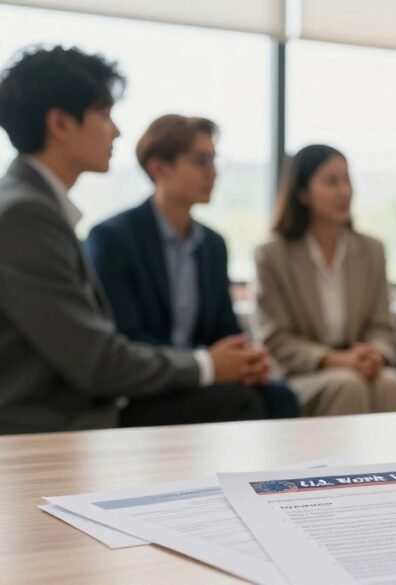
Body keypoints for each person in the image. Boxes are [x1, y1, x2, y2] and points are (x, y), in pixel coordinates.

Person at [0, 46, 269, 434]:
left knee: (260, 395)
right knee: (238, 402)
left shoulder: (31, 205)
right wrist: (208, 365)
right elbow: (96, 362)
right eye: (105, 115)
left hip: (82, 405)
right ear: (59, 123)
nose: (117, 132)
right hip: (47, 424)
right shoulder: (26, 215)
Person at [84, 114, 299, 419]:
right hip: (142, 390)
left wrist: (247, 357)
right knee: (241, 401)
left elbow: (224, 328)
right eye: (202, 160)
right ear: (160, 167)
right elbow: (125, 338)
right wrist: (205, 362)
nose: (213, 173)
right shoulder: (112, 239)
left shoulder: (213, 244)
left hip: (203, 380)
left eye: (214, 161)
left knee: (281, 397)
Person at [253, 144, 396, 416]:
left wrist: (374, 355)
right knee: (347, 384)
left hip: (361, 366)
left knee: (390, 384)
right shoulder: (273, 255)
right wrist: (335, 360)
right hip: (304, 373)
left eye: (347, 180)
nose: (344, 191)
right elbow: (276, 338)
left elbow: (382, 325)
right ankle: (337, 461)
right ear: (302, 193)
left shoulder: (372, 250)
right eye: (331, 182)